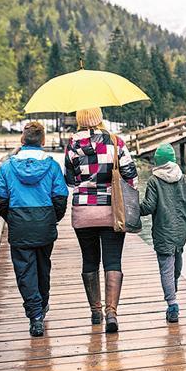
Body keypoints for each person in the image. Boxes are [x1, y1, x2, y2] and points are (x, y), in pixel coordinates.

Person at [64, 107, 138, 333]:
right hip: (112, 210)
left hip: (83, 210)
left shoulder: (72, 144)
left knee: (89, 260)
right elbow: (131, 175)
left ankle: (95, 311)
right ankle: (111, 313)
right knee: (113, 261)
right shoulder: (116, 142)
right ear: (99, 118)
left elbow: (69, 179)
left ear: (79, 120)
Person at [0, 122, 69, 337]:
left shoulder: (7, 167)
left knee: (25, 271)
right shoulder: (52, 166)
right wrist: (52, 218)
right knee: (44, 266)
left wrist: (12, 218)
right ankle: (42, 305)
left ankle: (35, 316)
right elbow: (60, 197)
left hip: (20, 225)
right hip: (44, 223)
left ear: (22, 140)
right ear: (43, 141)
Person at [140, 143, 186, 323]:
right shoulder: (184, 179)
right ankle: (172, 296)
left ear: (157, 162)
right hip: (181, 233)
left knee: (167, 269)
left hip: (163, 232)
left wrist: (131, 207)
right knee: (175, 268)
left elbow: (148, 207)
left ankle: (172, 304)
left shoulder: (154, 181)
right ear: (173, 160)